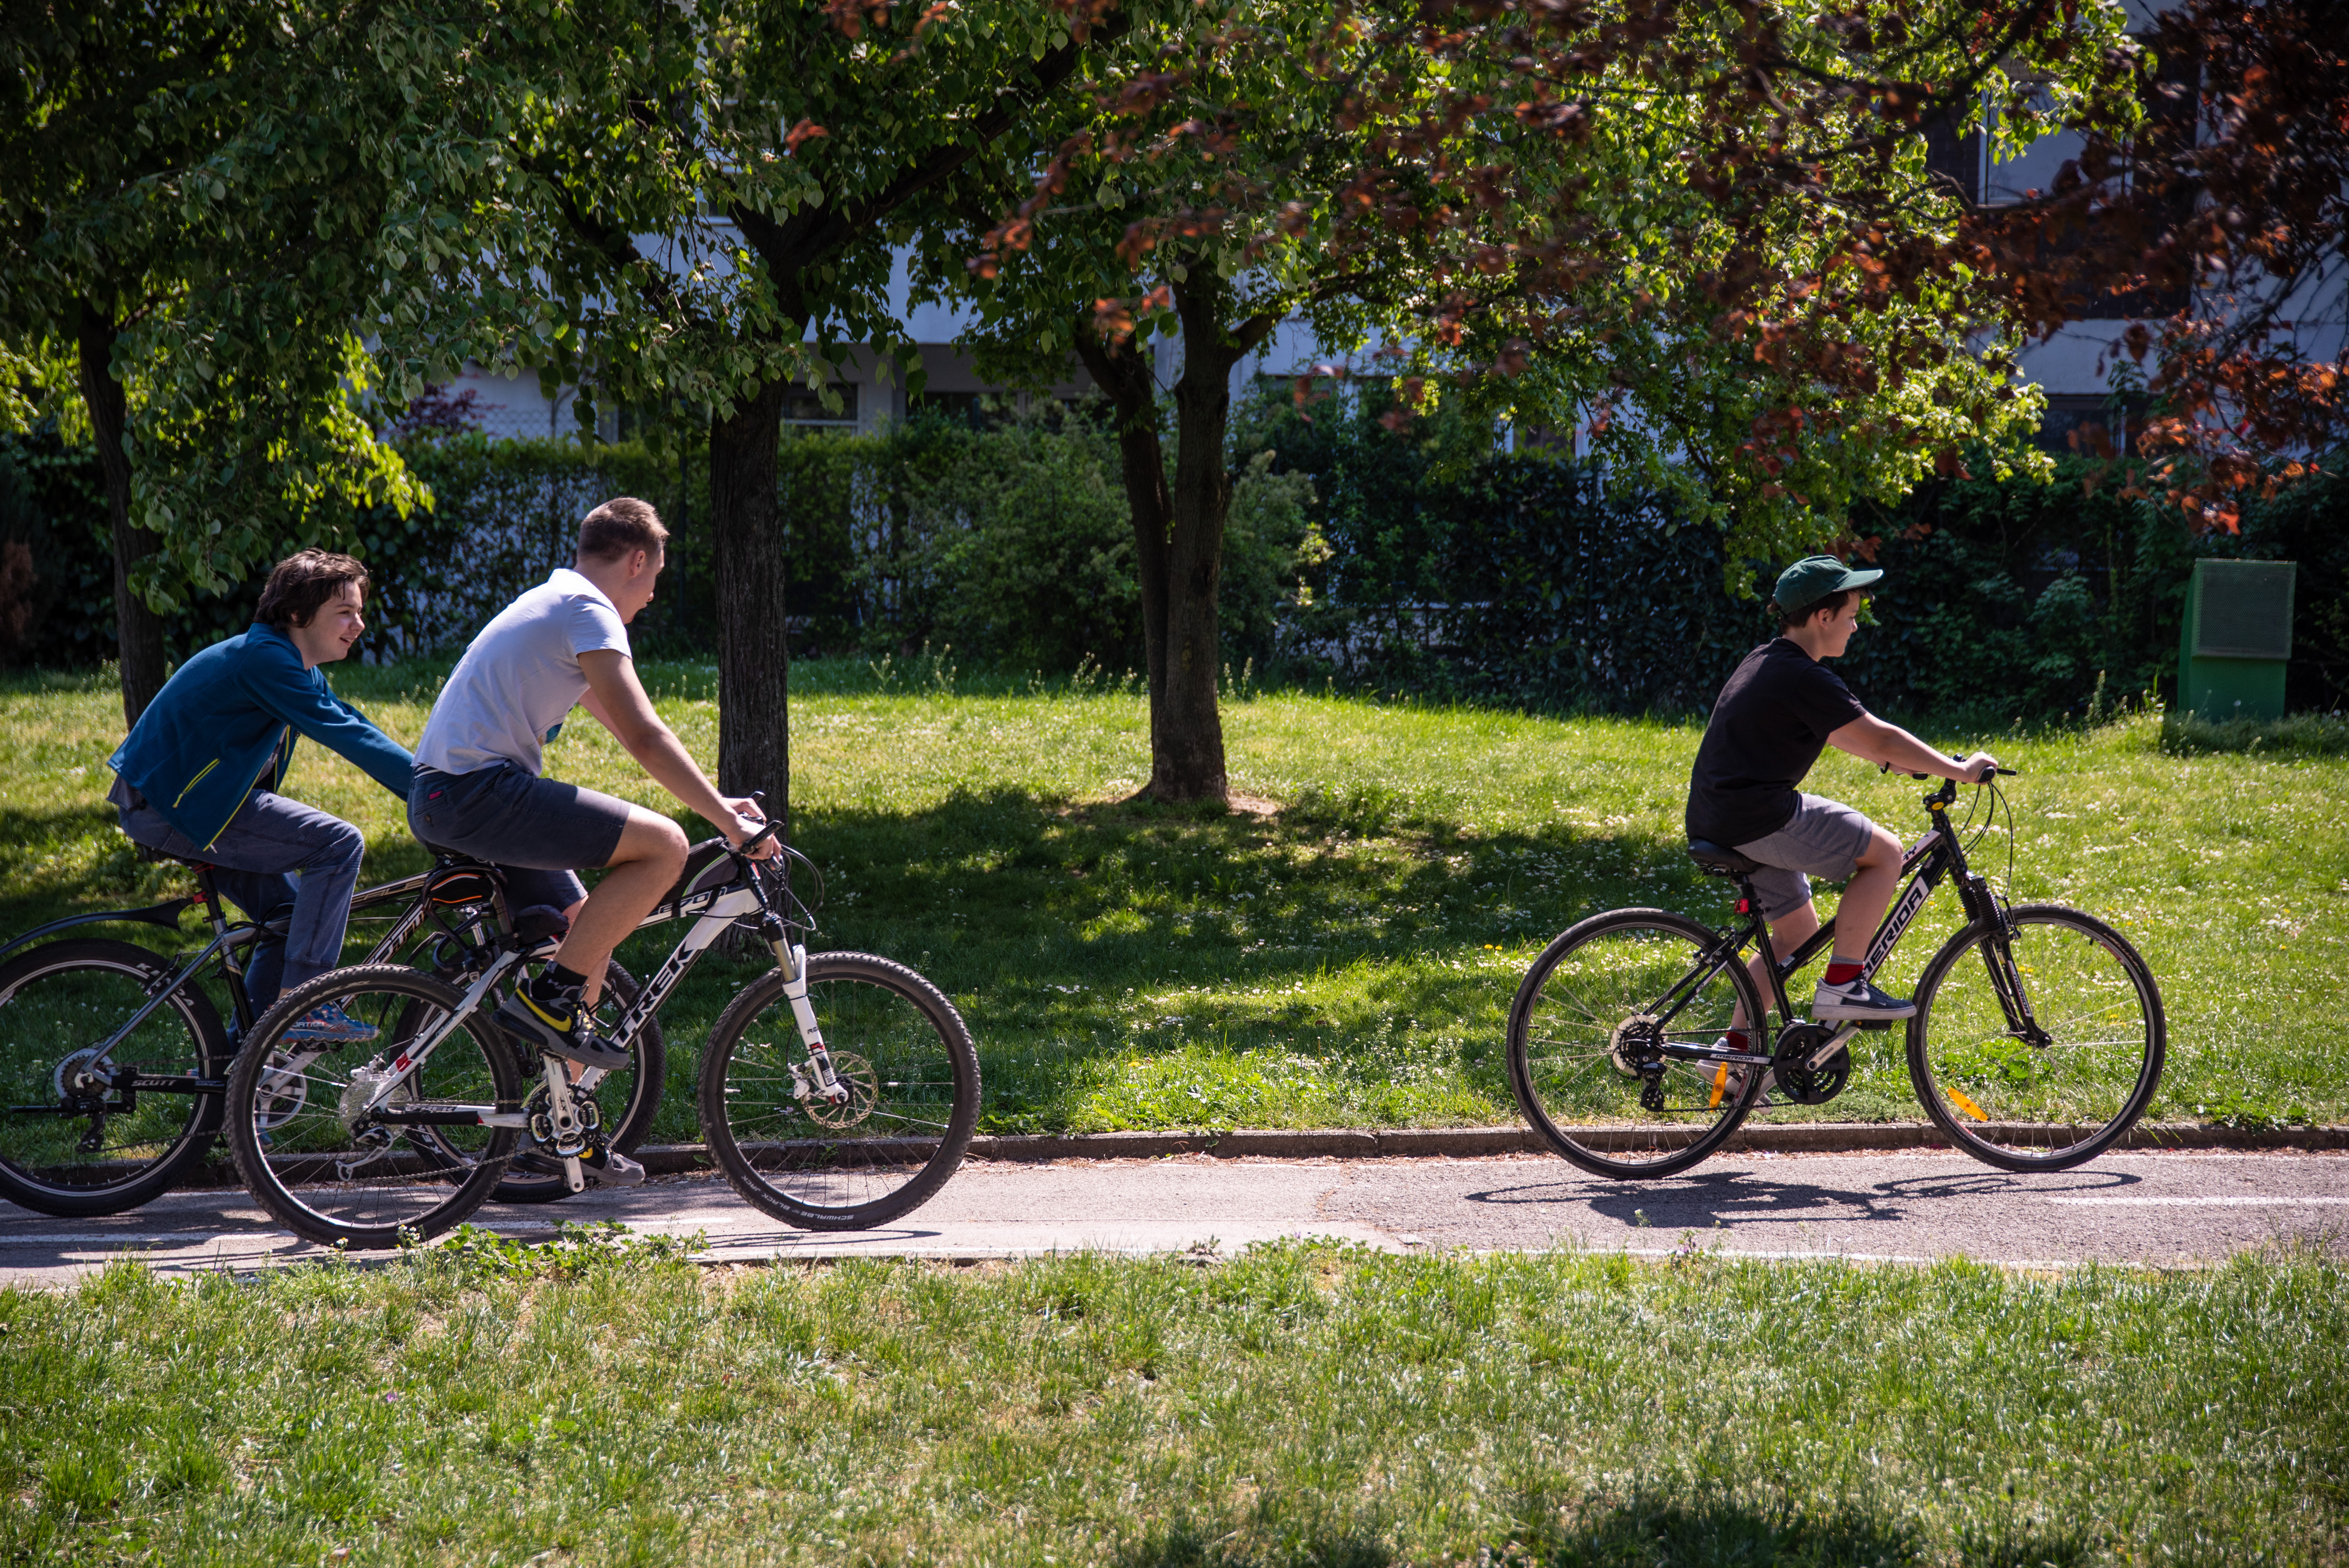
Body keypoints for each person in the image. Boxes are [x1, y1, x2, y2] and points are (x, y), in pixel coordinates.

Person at [407, 497, 773, 1184]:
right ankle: (549, 1000)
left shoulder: (556, 602)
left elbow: (628, 729)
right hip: (472, 793)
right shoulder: (586, 610)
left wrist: (720, 804)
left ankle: (562, 1126)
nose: (651, 597)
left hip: (449, 793)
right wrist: (729, 828)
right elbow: (645, 735)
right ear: (637, 560)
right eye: (655, 580)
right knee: (663, 847)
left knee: (586, 931)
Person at [1685, 555, 1999, 1057]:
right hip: (1756, 816)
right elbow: (1879, 738)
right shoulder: (1803, 678)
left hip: (1723, 816)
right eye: (1850, 615)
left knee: (1795, 931)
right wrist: (1960, 770)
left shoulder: (1767, 660)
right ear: (1821, 617)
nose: (1855, 626)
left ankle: (1735, 1052)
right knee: (1885, 853)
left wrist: (1900, 760)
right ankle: (1844, 984)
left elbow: (1860, 740)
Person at [107, 551, 412, 1041]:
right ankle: (307, 1002)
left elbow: (353, 720)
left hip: (188, 804)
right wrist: (433, 791)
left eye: (359, 612)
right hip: (174, 805)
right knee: (338, 843)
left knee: (286, 918)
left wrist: (431, 776)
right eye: (345, 612)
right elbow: (344, 733)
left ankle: (234, 1076)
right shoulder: (266, 659)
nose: (358, 624)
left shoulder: (290, 662)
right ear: (296, 614)